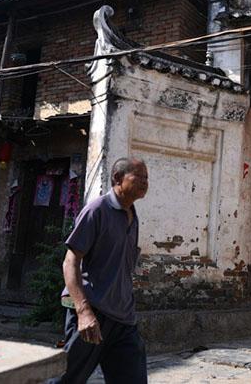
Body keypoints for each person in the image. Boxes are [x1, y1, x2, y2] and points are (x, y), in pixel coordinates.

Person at [51, 157, 149, 383]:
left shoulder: (132, 215)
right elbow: (70, 261)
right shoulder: (97, 210)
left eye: (147, 178)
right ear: (117, 178)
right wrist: (84, 312)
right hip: (93, 313)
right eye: (139, 177)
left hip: (124, 319)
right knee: (68, 378)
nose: (145, 182)